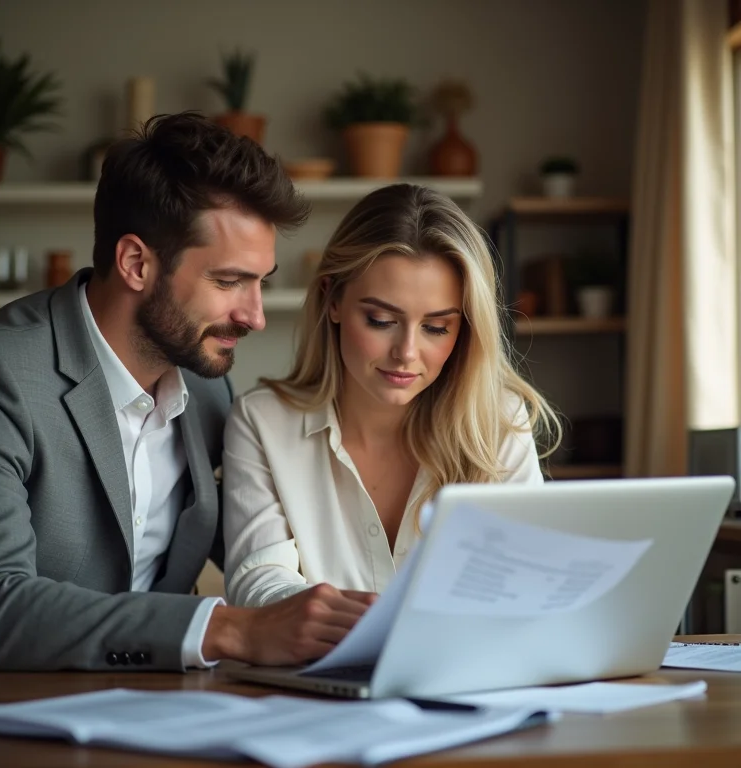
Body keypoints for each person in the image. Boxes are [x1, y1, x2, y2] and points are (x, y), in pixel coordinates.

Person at [0, 112, 376, 672]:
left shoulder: (209, 392)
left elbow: (263, 548)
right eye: (229, 281)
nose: (255, 316)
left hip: (171, 707)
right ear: (136, 263)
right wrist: (230, 630)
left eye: (261, 283)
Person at [223, 183, 562, 607]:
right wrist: (353, 624)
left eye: (436, 328)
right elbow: (258, 580)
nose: (406, 353)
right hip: (320, 652)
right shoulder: (262, 422)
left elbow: (525, 584)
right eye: (381, 320)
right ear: (332, 300)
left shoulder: (498, 425)